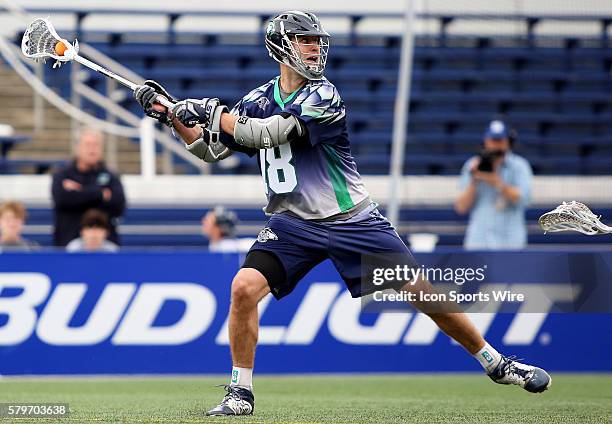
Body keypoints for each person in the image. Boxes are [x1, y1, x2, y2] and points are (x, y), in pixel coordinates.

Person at [134, 11, 550, 416]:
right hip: (292, 223)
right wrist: (171, 115)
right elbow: (212, 149)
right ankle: (241, 393)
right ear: (282, 45)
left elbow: (266, 133)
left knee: (421, 292)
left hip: (353, 220)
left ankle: (495, 363)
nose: (315, 48)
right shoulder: (256, 99)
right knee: (244, 288)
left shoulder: (324, 95)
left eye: (318, 41)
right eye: (305, 40)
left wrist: (210, 112)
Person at [454, 120, 533, 250]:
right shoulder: (472, 165)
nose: (496, 146)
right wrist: (474, 181)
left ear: (508, 142)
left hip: (510, 243)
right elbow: (461, 207)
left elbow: (524, 200)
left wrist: (497, 182)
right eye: (493, 140)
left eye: (500, 141)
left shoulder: (520, 166)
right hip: (479, 243)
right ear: (486, 141)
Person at [51, 128, 126, 247]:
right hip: (67, 245)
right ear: (78, 147)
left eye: (96, 145)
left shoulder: (111, 176)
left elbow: (119, 206)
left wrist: (79, 192)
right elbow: (62, 200)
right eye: (88, 144)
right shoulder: (63, 174)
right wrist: (100, 194)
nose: (92, 149)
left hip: (105, 247)